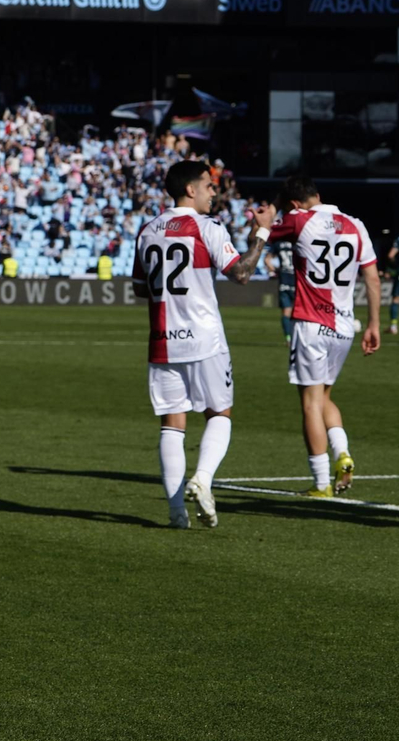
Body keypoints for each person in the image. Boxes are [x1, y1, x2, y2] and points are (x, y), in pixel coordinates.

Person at [133, 160, 275, 529]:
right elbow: (241, 274)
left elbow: (139, 288)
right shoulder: (207, 226)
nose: (214, 192)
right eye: (209, 186)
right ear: (190, 189)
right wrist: (262, 233)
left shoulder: (147, 230)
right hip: (203, 338)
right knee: (219, 414)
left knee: (172, 425)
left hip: (163, 340)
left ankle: (176, 513)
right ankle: (203, 478)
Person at [269, 176, 382, 497]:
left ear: (294, 203)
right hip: (344, 328)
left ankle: (321, 484)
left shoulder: (297, 219)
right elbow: (372, 279)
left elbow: (259, 232)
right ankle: (342, 453)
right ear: (318, 194)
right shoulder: (356, 224)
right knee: (324, 397)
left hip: (310, 324)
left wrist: (276, 205)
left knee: (310, 403)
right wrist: (373, 324)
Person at [264, 239, 295, 340]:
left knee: (286, 311)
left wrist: (277, 270)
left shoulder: (278, 244)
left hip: (284, 280)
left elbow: (267, 260)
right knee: (299, 311)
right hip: (297, 280)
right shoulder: (297, 241)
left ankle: (288, 337)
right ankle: (297, 336)